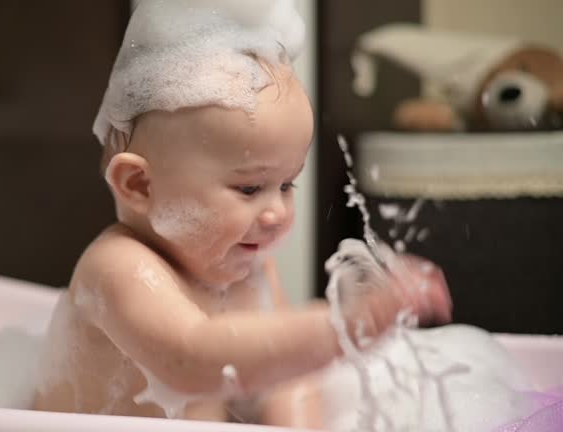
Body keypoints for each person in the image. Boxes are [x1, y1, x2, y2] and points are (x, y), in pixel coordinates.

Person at [33, 0, 452, 425]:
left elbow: (285, 381)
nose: (275, 212)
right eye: (249, 187)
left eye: (287, 185)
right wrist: (339, 327)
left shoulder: (250, 270)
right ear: (140, 185)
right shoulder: (117, 270)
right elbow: (193, 358)